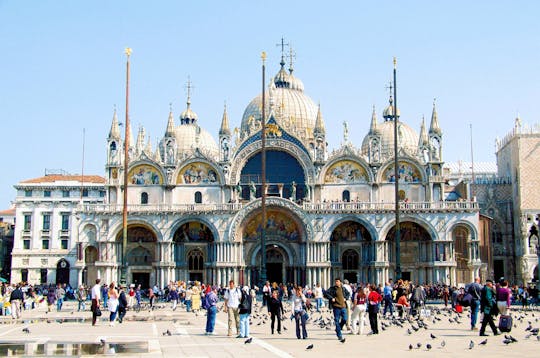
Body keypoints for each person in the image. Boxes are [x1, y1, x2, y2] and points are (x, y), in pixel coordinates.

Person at [324, 278, 349, 342]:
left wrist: (346, 298)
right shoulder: (332, 288)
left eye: (337, 281)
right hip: (336, 307)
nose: (336, 283)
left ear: (340, 282)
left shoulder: (343, 288)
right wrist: (331, 298)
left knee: (345, 319)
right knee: (336, 321)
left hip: (343, 306)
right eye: (335, 282)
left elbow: (348, 294)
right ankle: (339, 335)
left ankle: (338, 328)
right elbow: (326, 293)